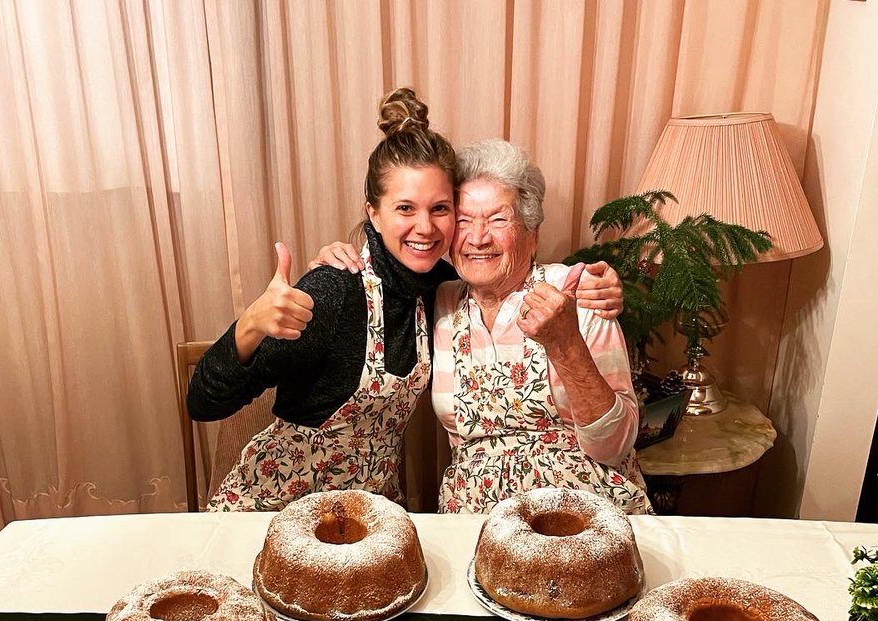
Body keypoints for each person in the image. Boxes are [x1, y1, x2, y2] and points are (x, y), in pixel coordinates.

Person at [189, 89, 621, 512]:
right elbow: (203, 404)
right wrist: (249, 324)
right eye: (405, 209)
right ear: (373, 213)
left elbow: (504, 269)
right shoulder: (335, 291)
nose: (426, 228)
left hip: (373, 511)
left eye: (440, 209)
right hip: (280, 505)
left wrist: (599, 288)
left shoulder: (442, 285)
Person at [317, 139, 651, 514]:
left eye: (498, 219)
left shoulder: (575, 295)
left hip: (584, 508)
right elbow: (388, 269)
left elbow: (617, 445)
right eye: (463, 221)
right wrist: (338, 262)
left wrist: (566, 344)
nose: (478, 238)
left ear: (532, 233)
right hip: (473, 517)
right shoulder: (436, 298)